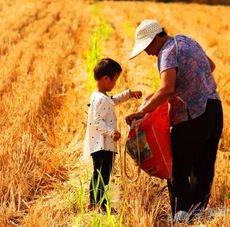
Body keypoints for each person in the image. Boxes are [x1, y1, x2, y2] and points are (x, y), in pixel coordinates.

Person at [126, 19, 223, 222]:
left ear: (156, 38)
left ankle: (181, 216)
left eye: (147, 47)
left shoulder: (167, 52)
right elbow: (210, 66)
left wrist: (142, 111)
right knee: (204, 166)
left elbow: (167, 89)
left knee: (178, 167)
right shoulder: (187, 41)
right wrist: (190, 84)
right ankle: (198, 214)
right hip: (214, 108)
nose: (147, 52)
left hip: (191, 115)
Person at [83, 58, 142, 212]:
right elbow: (97, 121)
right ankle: (97, 203)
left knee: (102, 173)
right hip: (101, 144)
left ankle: (97, 203)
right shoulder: (100, 99)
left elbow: (113, 100)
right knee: (101, 173)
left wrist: (129, 94)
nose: (115, 83)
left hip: (102, 143)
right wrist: (111, 132)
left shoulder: (101, 96)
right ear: (105, 78)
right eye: (114, 80)